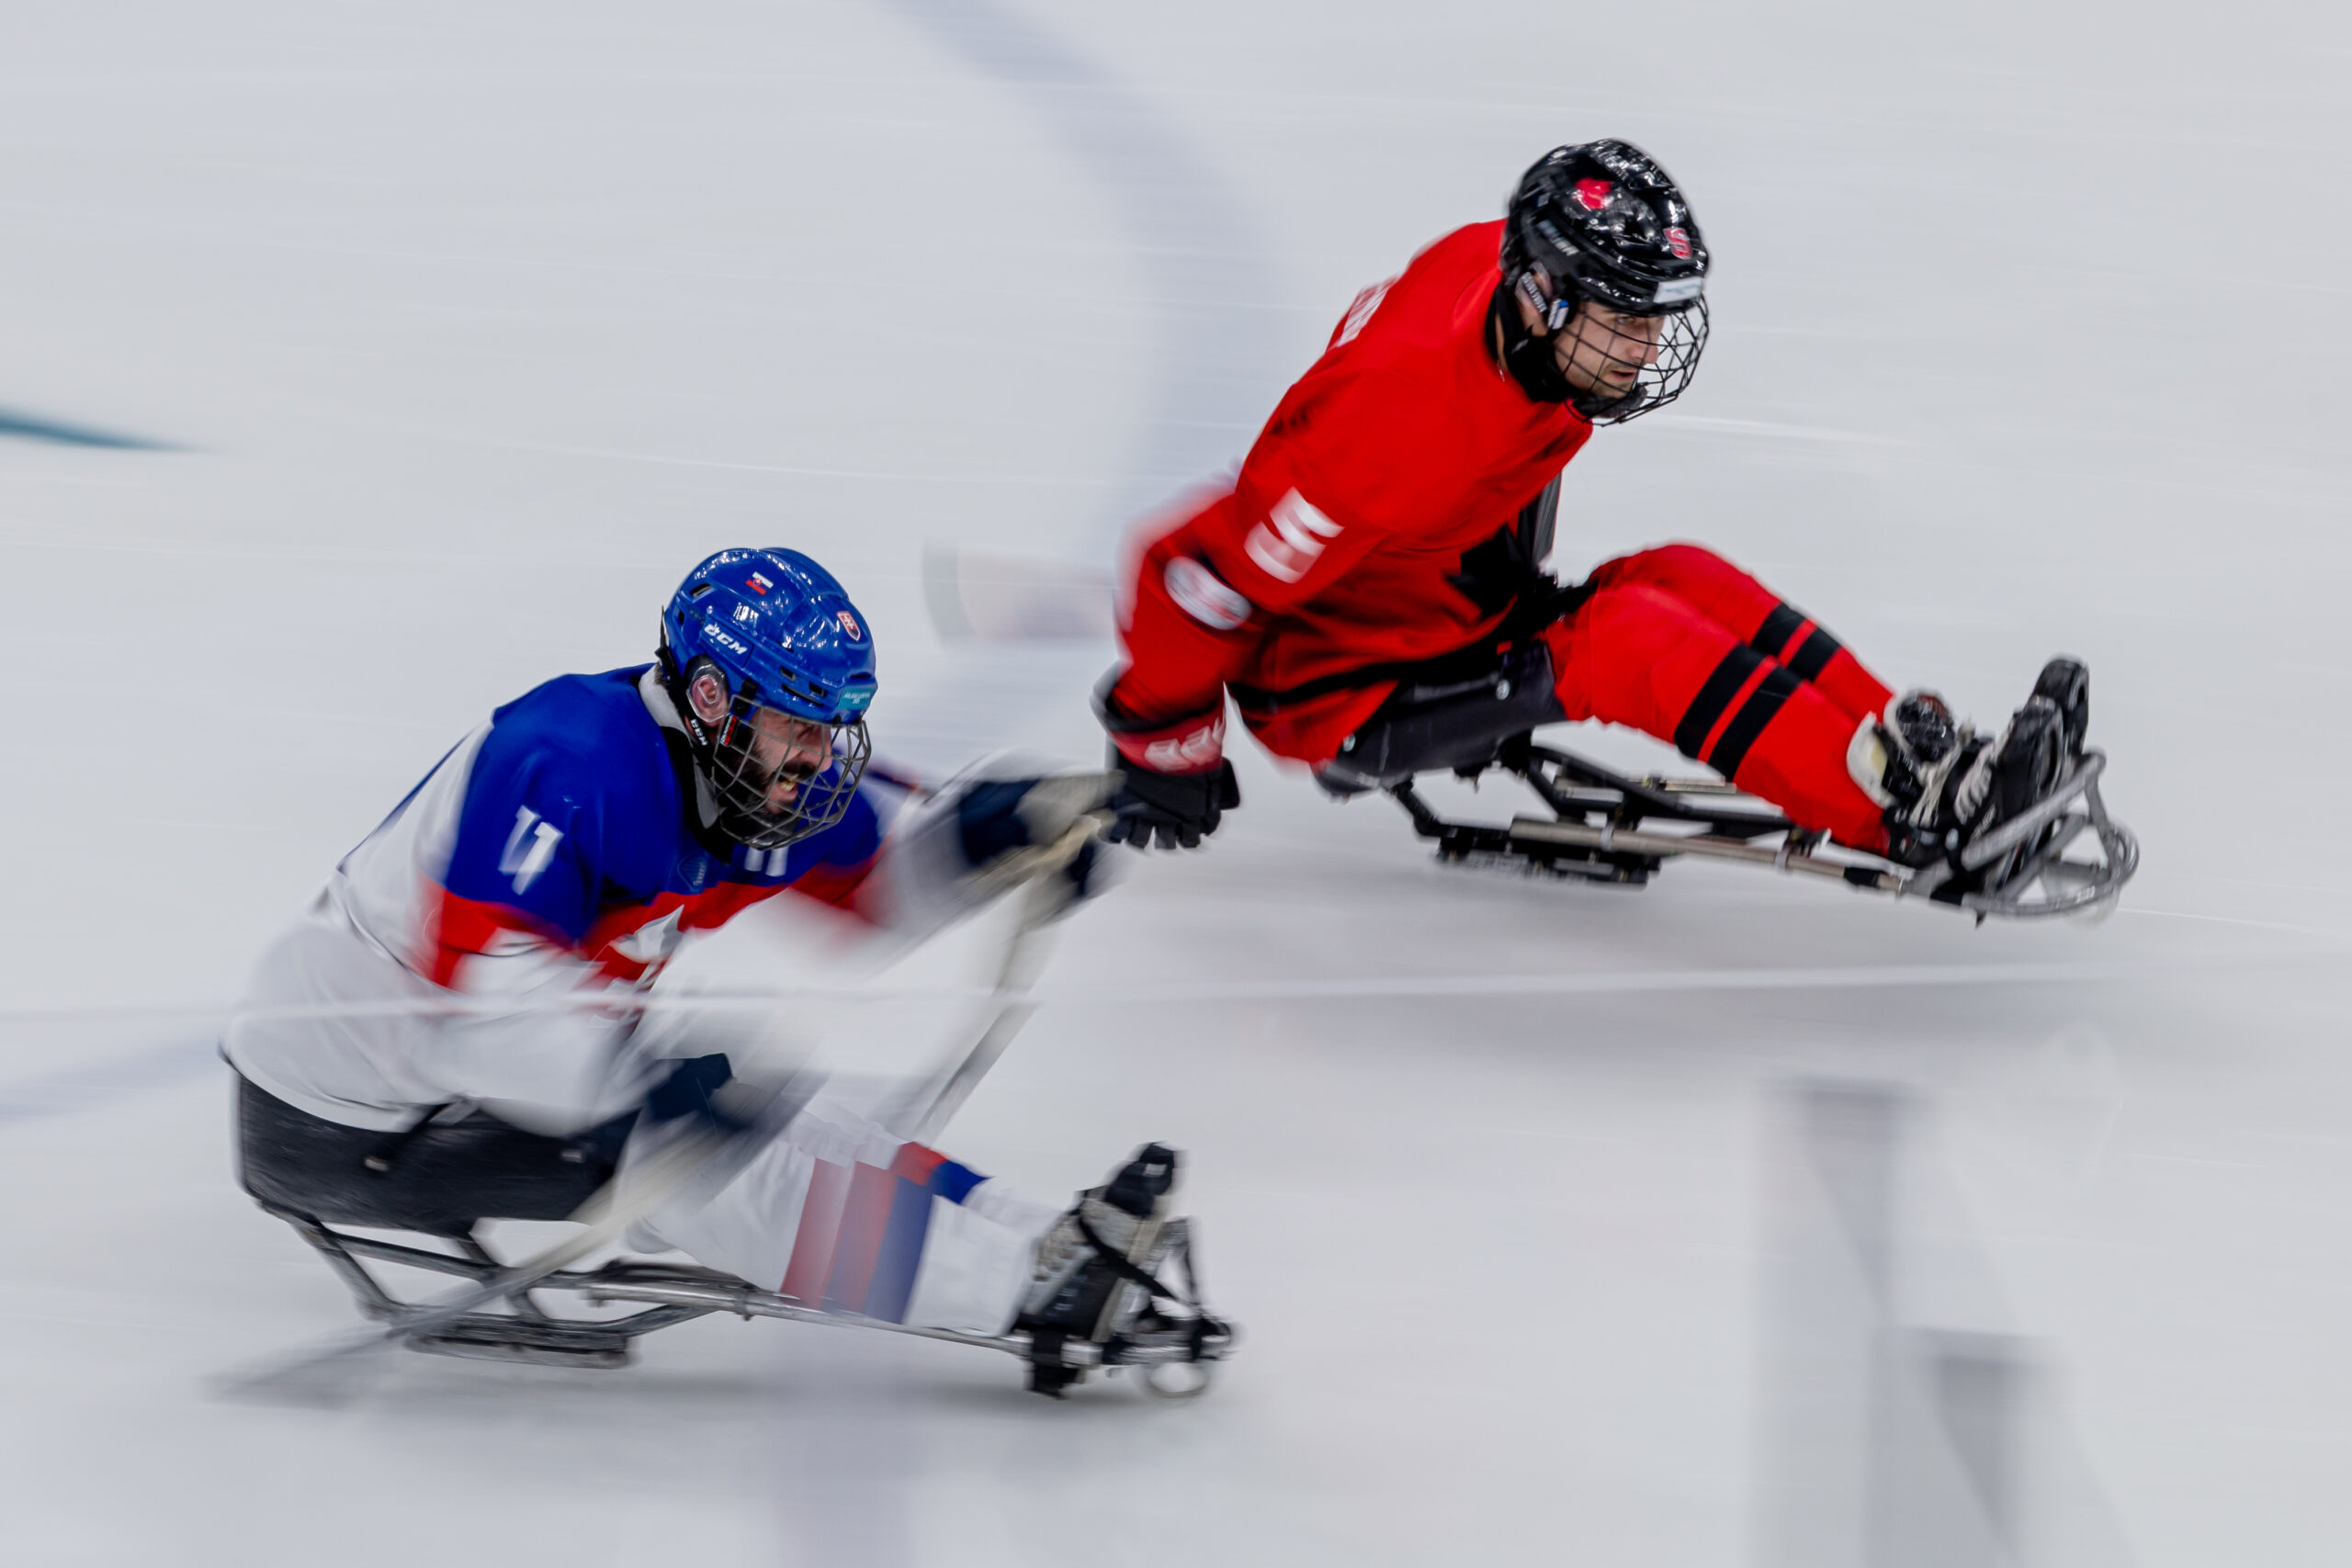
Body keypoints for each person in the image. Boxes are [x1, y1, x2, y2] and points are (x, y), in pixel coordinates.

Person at [227, 547, 1193, 1382]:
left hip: (478, 1070)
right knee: (707, 1161)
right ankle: (1029, 1291)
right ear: (709, 697)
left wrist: (1005, 832)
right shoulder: (562, 763)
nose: (818, 756)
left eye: (831, 726)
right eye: (798, 725)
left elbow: (884, 877)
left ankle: (1046, 1243)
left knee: (776, 1117)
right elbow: (476, 1012)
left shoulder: (748, 770)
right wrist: (640, 1080)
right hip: (346, 1111)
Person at [1096, 140, 2086, 882]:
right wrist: (1163, 738)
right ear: (1541, 296)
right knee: (1624, 641)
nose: (1646, 350)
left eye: (1655, 319)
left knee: (1681, 574)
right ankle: (1911, 826)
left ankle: (1924, 765)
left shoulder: (1507, 295)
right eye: (1624, 319)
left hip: (1447, 601)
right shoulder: (1386, 426)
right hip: (1346, 691)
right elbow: (1201, 575)